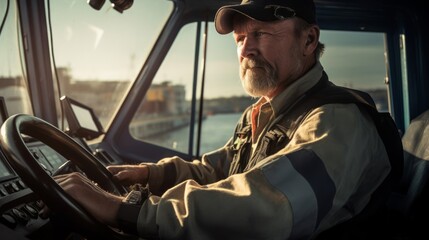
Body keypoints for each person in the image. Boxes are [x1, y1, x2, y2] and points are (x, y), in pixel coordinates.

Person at [52, 0, 392, 239]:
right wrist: (150, 174)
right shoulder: (261, 113)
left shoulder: (336, 121)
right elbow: (219, 170)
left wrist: (128, 211)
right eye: (241, 38)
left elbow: (266, 209)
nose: (245, 51)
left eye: (261, 34)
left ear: (308, 40)